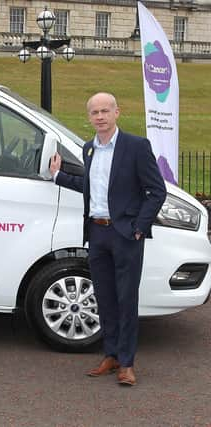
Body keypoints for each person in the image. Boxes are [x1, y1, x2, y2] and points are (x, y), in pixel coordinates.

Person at [50, 93, 166, 386]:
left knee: (126, 299)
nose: (100, 116)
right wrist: (57, 176)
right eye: (94, 112)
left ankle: (127, 364)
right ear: (89, 117)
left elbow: (157, 191)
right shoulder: (89, 149)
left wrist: (139, 227)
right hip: (97, 233)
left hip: (125, 234)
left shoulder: (136, 147)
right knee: (104, 298)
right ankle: (111, 355)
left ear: (117, 112)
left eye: (105, 111)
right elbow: (89, 187)